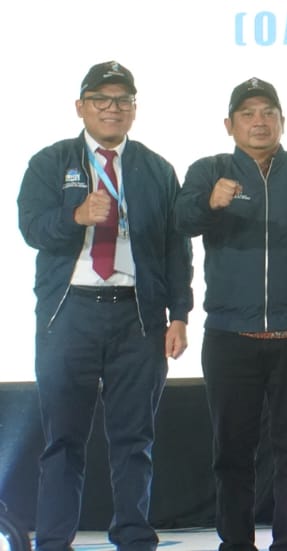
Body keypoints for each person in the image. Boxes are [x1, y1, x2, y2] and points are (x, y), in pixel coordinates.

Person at [18, 61, 193, 551]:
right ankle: (54, 541)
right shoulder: (51, 162)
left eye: (122, 100)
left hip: (137, 317)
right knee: (63, 439)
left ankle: (133, 536)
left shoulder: (157, 170)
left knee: (134, 439)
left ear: (134, 109)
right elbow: (31, 229)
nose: (111, 108)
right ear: (81, 107)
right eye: (101, 99)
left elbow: (176, 249)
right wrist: (75, 216)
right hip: (69, 314)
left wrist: (179, 314)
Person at [175, 77, 287, 551]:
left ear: (282, 121)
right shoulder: (209, 170)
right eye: (248, 113)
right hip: (231, 337)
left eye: (268, 112)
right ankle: (236, 543)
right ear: (229, 124)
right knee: (232, 452)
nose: (259, 121)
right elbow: (182, 221)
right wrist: (211, 203)